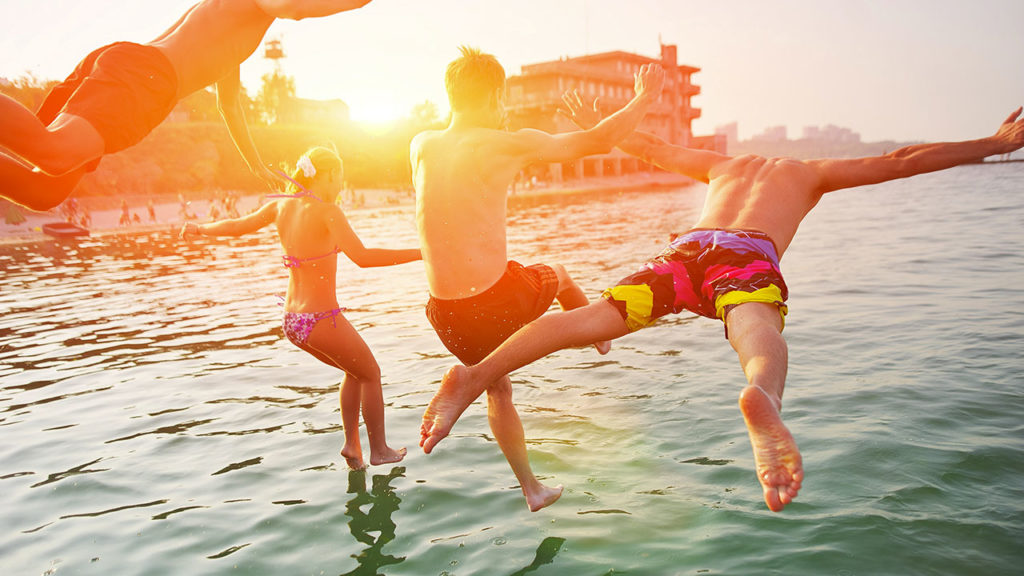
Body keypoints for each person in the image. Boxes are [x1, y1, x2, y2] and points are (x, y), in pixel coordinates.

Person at [423, 93, 1024, 512]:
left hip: (686, 253)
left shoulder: (722, 165)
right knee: (755, 325)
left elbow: (651, 148)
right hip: (744, 254)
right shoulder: (810, 171)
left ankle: (474, 376)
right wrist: (993, 144)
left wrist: (606, 120)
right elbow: (903, 161)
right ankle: (762, 396)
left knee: (591, 319)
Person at [411, 45, 664, 511]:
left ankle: (532, 489)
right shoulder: (502, 141)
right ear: (493, 97)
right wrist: (645, 96)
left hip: (443, 314)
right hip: (492, 302)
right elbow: (597, 140)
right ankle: (597, 334)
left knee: (500, 386)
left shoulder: (421, 144)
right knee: (561, 275)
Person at [0, 0, 374, 212]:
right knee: (53, 152)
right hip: (147, 78)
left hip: (130, 66)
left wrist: (256, 165)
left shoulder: (237, 22)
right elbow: (294, 7)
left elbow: (230, 104)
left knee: (44, 191)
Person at [180, 146, 421, 469]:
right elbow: (363, 258)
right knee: (372, 373)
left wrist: (199, 229)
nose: (342, 183)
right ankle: (379, 449)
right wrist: (422, 253)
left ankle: (353, 445)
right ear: (330, 175)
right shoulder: (328, 212)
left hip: (293, 321)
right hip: (320, 320)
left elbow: (238, 226)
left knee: (355, 371)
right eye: (341, 176)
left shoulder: (282, 206)